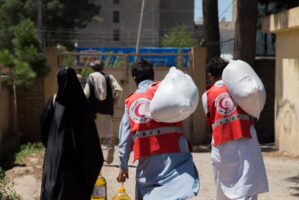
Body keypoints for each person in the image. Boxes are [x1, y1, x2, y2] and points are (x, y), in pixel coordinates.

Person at [116, 58, 200, 200]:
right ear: (152, 75)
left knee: (151, 192)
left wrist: (123, 166)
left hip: (148, 158)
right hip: (176, 153)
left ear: (134, 78)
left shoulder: (130, 101)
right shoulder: (167, 91)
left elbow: (125, 139)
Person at [202, 57, 269, 200]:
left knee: (225, 188)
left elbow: (210, 122)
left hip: (222, 146)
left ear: (210, 76)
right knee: (247, 185)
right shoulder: (242, 90)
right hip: (246, 141)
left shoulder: (207, 95)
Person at [40, 67, 103, 200]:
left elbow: (44, 127)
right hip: (77, 162)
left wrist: (53, 146)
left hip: (55, 157)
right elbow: (91, 138)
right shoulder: (82, 105)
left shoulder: (53, 102)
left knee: (54, 189)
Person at [84, 60, 123, 164]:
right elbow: (119, 90)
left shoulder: (91, 77)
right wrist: (114, 102)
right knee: (107, 132)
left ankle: (95, 157)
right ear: (102, 68)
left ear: (93, 68)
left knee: (93, 134)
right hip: (107, 110)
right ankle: (110, 146)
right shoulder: (109, 77)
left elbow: (86, 93)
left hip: (94, 111)